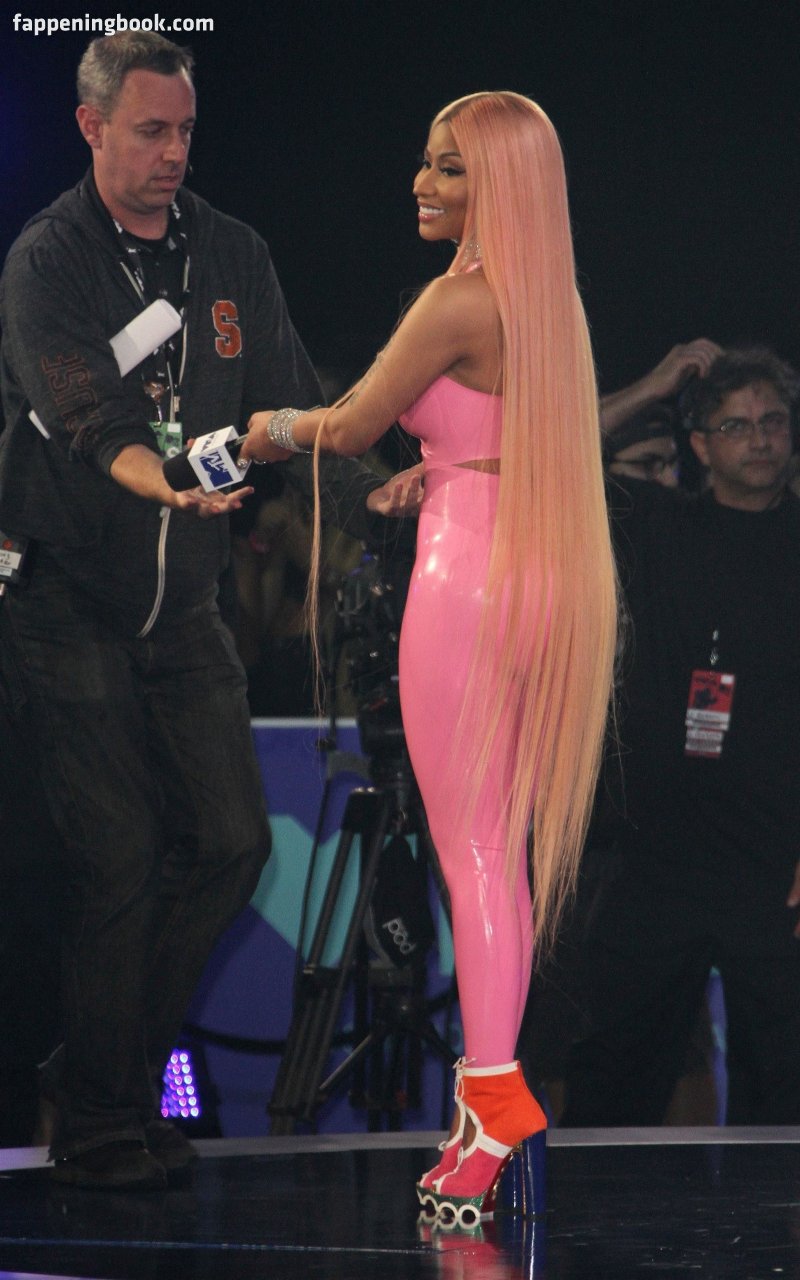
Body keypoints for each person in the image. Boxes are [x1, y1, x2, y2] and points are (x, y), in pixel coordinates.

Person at [0, 31, 413, 1190]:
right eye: (150, 131)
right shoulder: (46, 261)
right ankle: (100, 1117)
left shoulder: (232, 250)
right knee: (120, 855)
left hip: (186, 606)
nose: (173, 151)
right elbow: (90, 422)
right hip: (64, 596)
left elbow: (295, 402)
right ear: (90, 128)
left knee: (233, 841)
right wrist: (169, 481)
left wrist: (382, 483)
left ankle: (96, 1072)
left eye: (184, 130)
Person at [243, 91, 618, 1227]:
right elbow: (506, 440)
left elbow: (351, 422)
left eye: (449, 168)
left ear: (498, 186)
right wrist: (442, 466)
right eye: (425, 162)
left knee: (476, 854)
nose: (422, 183)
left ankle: (493, 1098)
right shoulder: (550, 301)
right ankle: (487, 1096)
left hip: (466, 583)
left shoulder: (454, 298)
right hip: (539, 570)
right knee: (498, 855)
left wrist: (265, 431)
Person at [558, 346, 800, 1127]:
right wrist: (655, 385)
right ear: (699, 445)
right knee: (611, 1072)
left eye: (773, 421)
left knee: (787, 1084)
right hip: (658, 851)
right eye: (736, 425)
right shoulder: (658, 522)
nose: (759, 439)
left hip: (777, 862)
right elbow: (554, 455)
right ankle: (595, 1209)